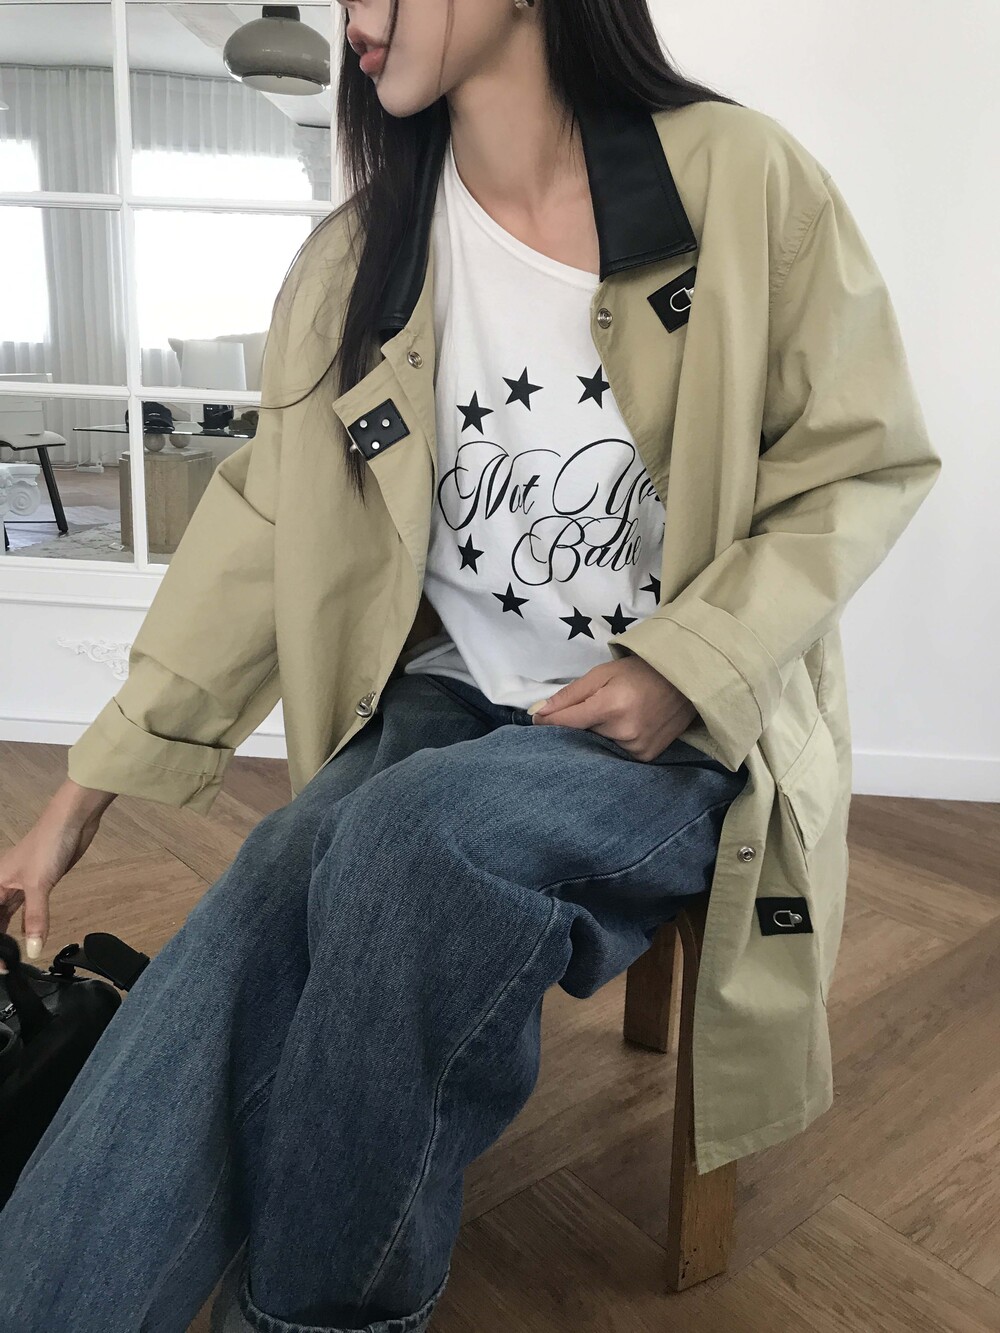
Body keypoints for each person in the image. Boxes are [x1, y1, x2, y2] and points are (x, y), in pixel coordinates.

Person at [0, 0, 941, 1330]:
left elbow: (858, 462)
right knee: (268, 894)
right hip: (442, 703)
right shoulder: (359, 256)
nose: (352, 12)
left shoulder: (740, 182)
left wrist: (686, 662)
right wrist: (76, 797)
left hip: (669, 735)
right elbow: (259, 535)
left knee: (411, 845)